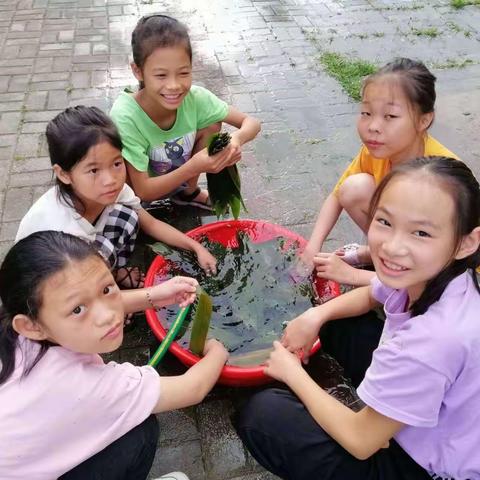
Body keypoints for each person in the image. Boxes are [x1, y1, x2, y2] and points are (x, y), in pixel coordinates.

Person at [236, 157, 480, 480]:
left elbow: (361, 440)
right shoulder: (442, 277)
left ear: (467, 242)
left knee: (261, 416)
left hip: (430, 468)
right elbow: (371, 294)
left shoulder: (432, 341)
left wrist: (293, 373)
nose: (392, 247)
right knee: (334, 317)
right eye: (385, 222)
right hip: (440, 409)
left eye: (421, 232)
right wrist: (315, 315)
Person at [0, 231, 229, 480]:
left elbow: (91, 300)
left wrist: (155, 295)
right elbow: (192, 389)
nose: (108, 315)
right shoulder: (83, 386)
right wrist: (218, 351)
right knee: (140, 429)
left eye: (107, 288)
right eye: (77, 309)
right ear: (31, 326)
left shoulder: (16, 326)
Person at [16, 106, 217, 291]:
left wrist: (196, 247)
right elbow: (72, 296)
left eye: (117, 164)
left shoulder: (110, 191)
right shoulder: (64, 228)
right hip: (47, 286)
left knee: (128, 216)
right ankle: (109, 288)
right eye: (94, 170)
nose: (111, 180)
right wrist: (157, 293)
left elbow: (152, 224)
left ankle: (113, 276)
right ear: (64, 174)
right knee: (104, 308)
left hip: (79, 261)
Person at [303, 58, 458, 287]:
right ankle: (382, 259)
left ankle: (385, 274)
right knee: (353, 188)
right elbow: (337, 196)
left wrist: (355, 277)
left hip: (453, 273)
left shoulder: (441, 178)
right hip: (415, 245)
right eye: (366, 113)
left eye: (390, 116)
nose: (373, 126)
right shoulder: (378, 151)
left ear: (424, 120)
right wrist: (311, 248)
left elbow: (443, 270)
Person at [110, 14, 261, 208]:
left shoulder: (195, 98)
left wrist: (236, 140)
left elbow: (252, 123)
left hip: (178, 175)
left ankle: (187, 193)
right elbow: (144, 191)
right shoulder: (125, 116)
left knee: (212, 123)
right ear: (138, 71)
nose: (174, 86)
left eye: (183, 73)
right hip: (138, 193)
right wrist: (195, 166)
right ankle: (136, 214)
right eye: (161, 75)